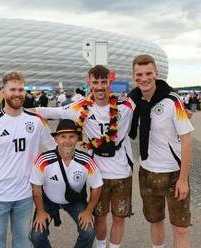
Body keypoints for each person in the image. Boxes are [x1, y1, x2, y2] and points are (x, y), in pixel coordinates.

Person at [33, 65, 134, 248]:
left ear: (110, 82)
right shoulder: (80, 107)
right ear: (89, 83)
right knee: (100, 217)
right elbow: (50, 112)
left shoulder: (126, 105)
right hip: (98, 172)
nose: (100, 86)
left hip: (122, 171)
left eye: (104, 82)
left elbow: (149, 101)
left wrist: (182, 110)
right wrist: (17, 112)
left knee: (119, 218)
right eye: (95, 82)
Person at [0, 71, 56, 248]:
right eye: (12, 89)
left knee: (23, 243)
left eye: (21, 89)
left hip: (25, 196)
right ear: (3, 92)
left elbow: (53, 149)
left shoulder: (37, 120)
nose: (17, 93)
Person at [128, 54, 194, 248]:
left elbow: (187, 140)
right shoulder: (134, 101)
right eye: (139, 74)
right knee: (155, 222)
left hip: (174, 174)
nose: (144, 78)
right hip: (147, 172)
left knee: (180, 228)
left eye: (148, 73)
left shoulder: (173, 101)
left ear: (156, 73)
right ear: (134, 77)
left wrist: (183, 179)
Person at [30, 119, 103, 248]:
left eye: (72, 136)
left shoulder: (86, 160)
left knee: (89, 232)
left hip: (74, 200)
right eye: (62, 136)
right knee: (36, 235)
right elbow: (36, 188)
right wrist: (40, 211)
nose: (67, 141)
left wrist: (88, 211)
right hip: (49, 200)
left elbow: (97, 186)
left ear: (77, 139)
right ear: (56, 139)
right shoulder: (43, 160)